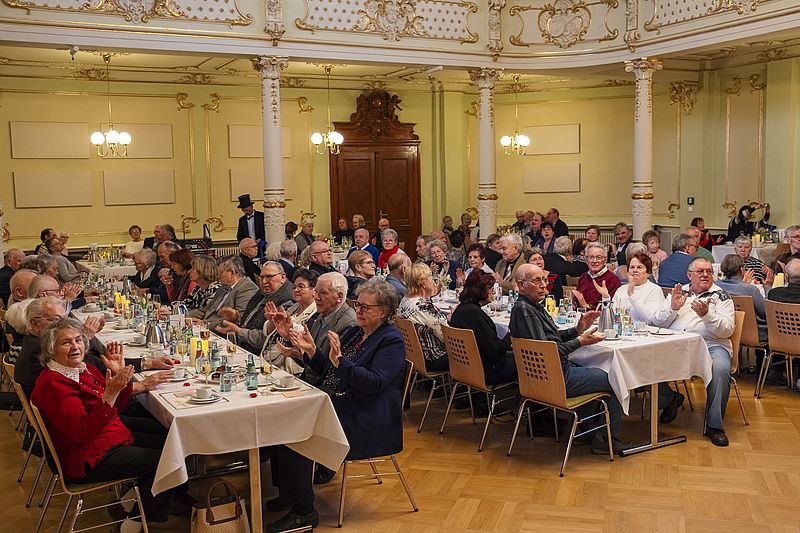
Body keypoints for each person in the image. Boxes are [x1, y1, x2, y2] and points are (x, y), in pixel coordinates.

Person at [266, 278, 405, 532]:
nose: (358, 311)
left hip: (367, 416)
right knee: (281, 417)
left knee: (296, 431)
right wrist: (310, 352)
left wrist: (341, 361)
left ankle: (304, 512)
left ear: (383, 312)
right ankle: (289, 493)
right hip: (338, 402)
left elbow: (374, 383)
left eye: (365, 307)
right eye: (357, 305)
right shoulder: (356, 333)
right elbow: (330, 370)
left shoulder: (391, 340)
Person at [31, 318, 175, 533]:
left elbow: (116, 407)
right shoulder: (54, 384)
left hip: (106, 436)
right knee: (166, 462)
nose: (75, 347)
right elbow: (82, 433)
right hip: (85, 457)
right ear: (51, 349)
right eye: (66, 342)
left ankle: (129, 503)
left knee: (170, 443)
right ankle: (130, 526)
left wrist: (117, 378)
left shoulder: (81, 368)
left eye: (78, 340)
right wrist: (111, 392)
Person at [509, 264, 626, 454]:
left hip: (539, 378)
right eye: (537, 281)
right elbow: (547, 351)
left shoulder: (530, 306)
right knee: (615, 378)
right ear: (521, 285)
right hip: (555, 378)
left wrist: (577, 330)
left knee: (594, 369)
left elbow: (552, 339)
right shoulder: (526, 310)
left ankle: (585, 431)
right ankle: (606, 439)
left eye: (544, 280)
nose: (544, 286)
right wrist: (580, 342)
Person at [652, 257, 735, 446]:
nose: (705, 275)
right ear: (689, 275)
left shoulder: (721, 296)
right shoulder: (678, 292)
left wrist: (707, 315)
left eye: (709, 271)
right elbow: (657, 322)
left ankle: (714, 426)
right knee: (643, 359)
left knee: (721, 369)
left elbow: (727, 330)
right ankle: (670, 399)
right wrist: (673, 308)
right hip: (676, 345)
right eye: (700, 271)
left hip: (711, 346)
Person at [449, 270, 514, 384]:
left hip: (463, 367)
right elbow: (495, 351)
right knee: (527, 363)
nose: (493, 292)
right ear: (480, 290)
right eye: (490, 288)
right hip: (485, 371)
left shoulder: (461, 309)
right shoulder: (475, 314)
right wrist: (510, 334)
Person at [216, 261, 293, 354]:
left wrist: (239, 331)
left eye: (269, 277)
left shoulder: (287, 300)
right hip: (243, 347)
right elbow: (250, 322)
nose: (264, 282)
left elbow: (264, 339)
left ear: (283, 277)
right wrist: (236, 317)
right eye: (261, 277)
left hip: (259, 353)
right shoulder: (265, 291)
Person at [260, 269, 319, 375]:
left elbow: (307, 338)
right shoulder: (291, 307)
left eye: (301, 286)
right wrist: (272, 321)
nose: (296, 290)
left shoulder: (317, 313)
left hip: (294, 366)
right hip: (272, 358)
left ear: (314, 290)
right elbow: (268, 333)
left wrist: (289, 327)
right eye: (294, 287)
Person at [397, 263, 448, 371]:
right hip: (433, 357)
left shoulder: (405, 300)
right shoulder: (423, 306)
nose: (433, 280)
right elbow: (446, 336)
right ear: (423, 283)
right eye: (430, 276)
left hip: (413, 356)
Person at [187, 256, 259, 329]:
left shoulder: (247, 288)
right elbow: (205, 310)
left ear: (232, 273)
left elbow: (239, 320)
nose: (218, 276)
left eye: (220, 272)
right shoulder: (222, 289)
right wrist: (183, 316)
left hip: (222, 333)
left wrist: (205, 324)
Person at [716, 254, 769, 344]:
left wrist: (743, 284)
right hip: (756, 332)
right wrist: (767, 287)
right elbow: (766, 312)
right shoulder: (750, 290)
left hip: (727, 330)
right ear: (741, 269)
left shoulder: (717, 285)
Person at [572, 242, 622, 309]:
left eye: (599, 257)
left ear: (605, 260)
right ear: (586, 260)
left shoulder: (613, 280)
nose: (594, 261)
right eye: (591, 257)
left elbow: (612, 309)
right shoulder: (583, 277)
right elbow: (576, 301)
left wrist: (586, 306)